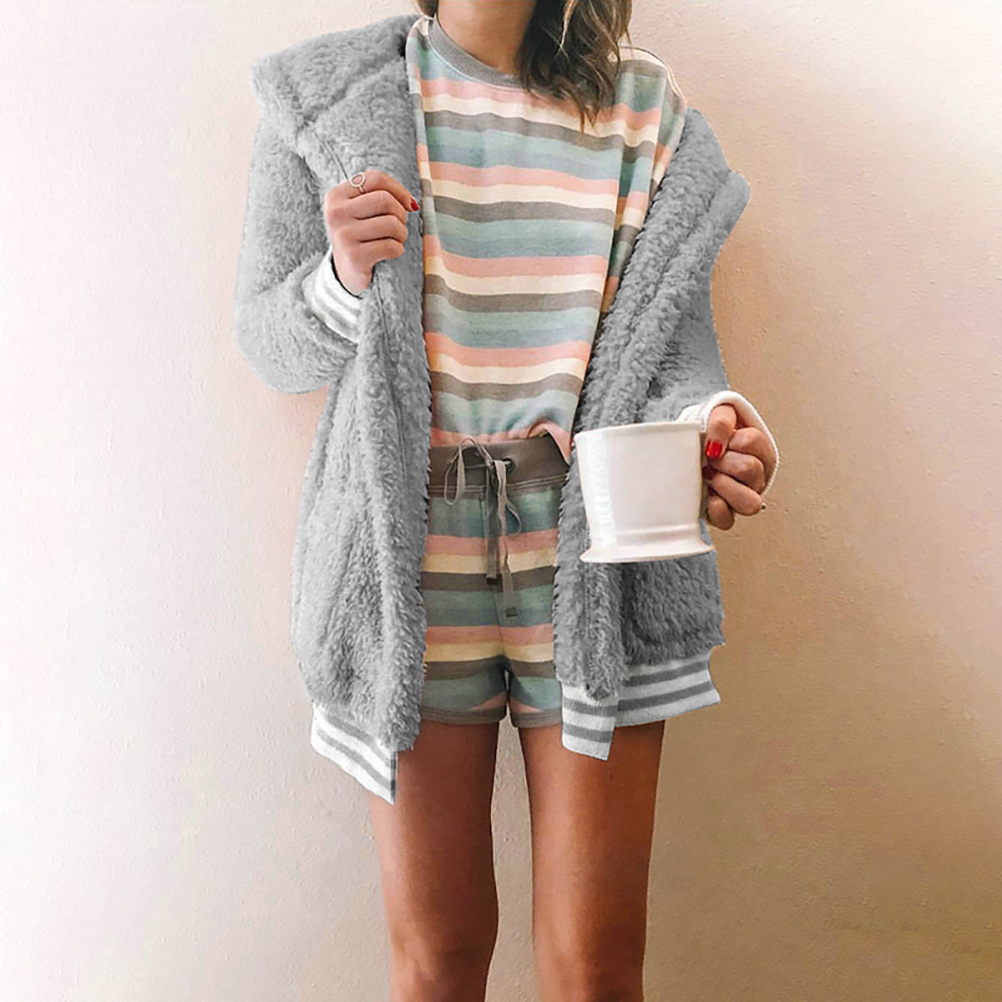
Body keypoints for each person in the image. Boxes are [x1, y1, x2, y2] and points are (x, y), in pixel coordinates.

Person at [233, 2, 780, 999]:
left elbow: (675, 351)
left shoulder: (643, 108)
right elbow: (269, 344)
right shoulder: (329, 102)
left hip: (595, 559)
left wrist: (715, 428)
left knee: (595, 966)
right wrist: (342, 280)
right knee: (438, 960)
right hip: (409, 567)